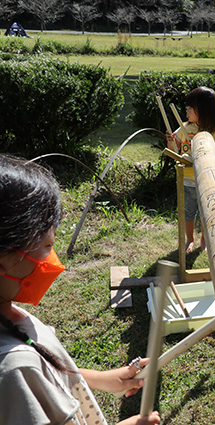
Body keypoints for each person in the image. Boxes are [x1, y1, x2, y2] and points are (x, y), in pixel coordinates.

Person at [0, 155, 162, 425]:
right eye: (47, 246)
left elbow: (47, 379)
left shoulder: (9, 313)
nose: (53, 259)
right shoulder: (15, 370)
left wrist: (105, 379)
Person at [166, 87, 215, 253]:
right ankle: (190, 238)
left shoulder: (214, 132)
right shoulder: (184, 129)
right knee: (188, 213)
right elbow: (173, 153)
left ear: (204, 111)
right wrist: (171, 142)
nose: (187, 110)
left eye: (191, 107)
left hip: (207, 182)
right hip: (188, 180)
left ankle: (204, 240)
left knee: (206, 214)